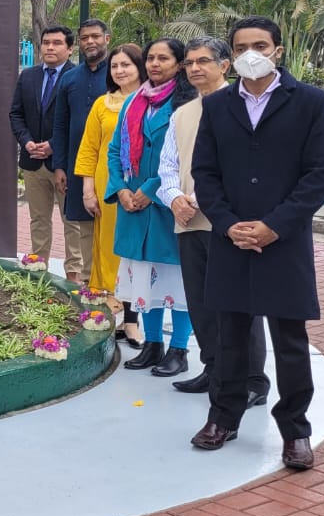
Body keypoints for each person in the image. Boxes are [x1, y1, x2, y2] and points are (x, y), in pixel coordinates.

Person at [190, 16, 324, 470]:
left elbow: (319, 175)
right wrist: (228, 223)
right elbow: (205, 173)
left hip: (284, 241)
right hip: (231, 238)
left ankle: (295, 430)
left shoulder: (311, 101)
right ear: (232, 55)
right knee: (229, 334)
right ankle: (223, 417)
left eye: (260, 44)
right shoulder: (216, 107)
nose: (251, 52)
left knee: (289, 339)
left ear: (278, 49)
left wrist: (275, 225)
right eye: (241, 46)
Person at [157, 37, 270, 405]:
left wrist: (200, 198)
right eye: (189, 62)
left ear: (225, 65)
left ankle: (253, 380)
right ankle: (214, 368)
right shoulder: (182, 114)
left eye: (203, 61)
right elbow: (168, 166)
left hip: (231, 224)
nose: (194, 68)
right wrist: (174, 197)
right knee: (202, 301)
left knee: (241, 304)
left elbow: (248, 169)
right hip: (189, 222)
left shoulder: (247, 108)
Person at [106, 38, 193, 377]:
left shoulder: (186, 103)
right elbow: (116, 150)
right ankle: (153, 344)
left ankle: (179, 349)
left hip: (167, 204)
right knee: (144, 281)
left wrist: (148, 190)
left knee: (177, 281)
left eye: (164, 58)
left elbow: (182, 158)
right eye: (151, 58)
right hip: (132, 207)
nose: (155, 64)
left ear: (179, 63)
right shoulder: (133, 101)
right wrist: (122, 189)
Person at [74, 44, 146, 344]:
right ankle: (112, 316)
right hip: (108, 190)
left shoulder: (152, 102)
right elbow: (89, 148)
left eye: (126, 65)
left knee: (136, 255)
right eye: (114, 66)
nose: (119, 71)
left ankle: (133, 321)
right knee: (108, 253)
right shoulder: (102, 105)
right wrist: (88, 190)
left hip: (141, 190)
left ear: (140, 67)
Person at [9, 25, 79, 274]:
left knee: (71, 221)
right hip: (32, 162)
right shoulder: (28, 76)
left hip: (63, 163)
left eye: (57, 43)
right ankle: (39, 268)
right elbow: (16, 113)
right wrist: (26, 141)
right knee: (38, 219)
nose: (50, 47)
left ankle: (74, 274)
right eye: (46, 42)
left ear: (70, 49)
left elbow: (78, 121)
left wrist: (53, 146)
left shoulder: (77, 76)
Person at [51, 19, 111, 283]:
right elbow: (60, 125)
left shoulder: (120, 73)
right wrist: (60, 165)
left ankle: (114, 285)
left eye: (95, 36)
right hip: (78, 164)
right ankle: (89, 282)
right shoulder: (70, 78)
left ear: (107, 39)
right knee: (85, 226)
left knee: (111, 224)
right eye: (85, 37)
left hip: (112, 165)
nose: (90, 42)